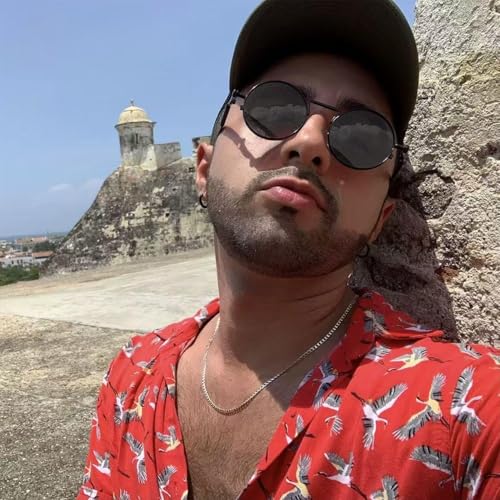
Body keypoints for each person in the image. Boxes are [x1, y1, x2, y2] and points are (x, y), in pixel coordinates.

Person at [78, 0, 500, 498]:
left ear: (381, 219)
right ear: (203, 168)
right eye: (274, 108)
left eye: (362, 136)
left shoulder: (466, 412)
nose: (309, 141)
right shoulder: (131, 377)